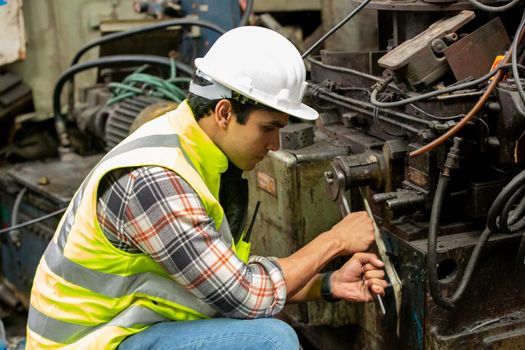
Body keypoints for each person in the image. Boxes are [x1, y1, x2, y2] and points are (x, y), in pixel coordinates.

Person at [26, 26, 387, 350]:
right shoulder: (157, 180)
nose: (276, 144)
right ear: (225, 112)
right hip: (89, 343)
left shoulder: (195, 153)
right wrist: (335, 240)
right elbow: (244, 296)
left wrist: (327, 283)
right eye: (268, 128)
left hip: (121, 332)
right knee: (269, 341)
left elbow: (224, 277)